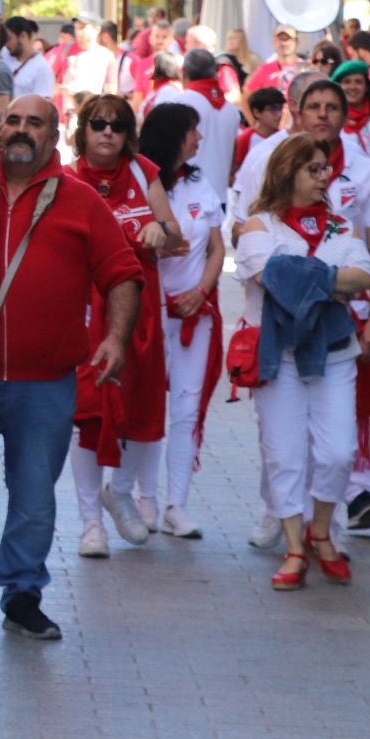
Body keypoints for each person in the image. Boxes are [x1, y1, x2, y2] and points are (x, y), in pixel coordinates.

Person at [0, 96, 142, 641]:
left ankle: (23, 595)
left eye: (34, 123)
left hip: (44, 381)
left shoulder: (81, 201)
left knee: (34, 496)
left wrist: (116, 337)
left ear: (54, 136)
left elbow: (122, 272)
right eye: (11, 120)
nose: (19, 130)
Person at [232, 76, 370, 538]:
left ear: (345, 117)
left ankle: (330, 528)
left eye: (332, 107)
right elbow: (246, 234)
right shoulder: (264, 157)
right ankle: (281, 517)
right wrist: (329, 280)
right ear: (297, 112)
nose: (323, 114)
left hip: (344, 327)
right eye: (314, 106)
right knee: (284, 438)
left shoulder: (365, 173)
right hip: (275, 330)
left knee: (335, 440)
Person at [236, 135, 370, 591]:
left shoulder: (341, 227)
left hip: (335, 355)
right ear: (287, 173)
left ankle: (322, 530)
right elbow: (272, 279)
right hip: (277, 356)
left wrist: (315, 278)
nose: (324, 178)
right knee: (283, 453)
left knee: (338, 451)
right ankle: (297, 547)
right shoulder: (258, 226)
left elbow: (366, 275)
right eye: (313, 169)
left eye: (326, 170)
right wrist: (334, 282)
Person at [65, 96, 182, 555]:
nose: (107, 132)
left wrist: (161, 231)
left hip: (143, 310)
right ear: (83, 130)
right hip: (89, 311)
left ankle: (123, 490)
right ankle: (90, 521)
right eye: (98, 124)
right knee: (90, 412)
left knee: (141, 406)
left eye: (117, 125)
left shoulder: (144, 173)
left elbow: (177, 236)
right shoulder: (69, 179)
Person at [136, 103, 225, 538]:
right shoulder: (140, 180)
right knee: (149, 405)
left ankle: (177, 504)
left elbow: (216, 249)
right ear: (174, 134)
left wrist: (202, 291)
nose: (199, 139)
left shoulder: (199, 181)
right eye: (193, 132)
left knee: (186, 410)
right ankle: (146, 498)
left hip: (194, 313)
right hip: (150, 313)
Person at [150, 48, 239, 202]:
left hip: (184, 198)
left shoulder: (179, 104)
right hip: (220, 198)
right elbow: (233, 161)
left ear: (183, 73)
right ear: (215, 72)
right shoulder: (232, 110)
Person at [0, 17, 56, 104]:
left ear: (23, 36)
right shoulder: (4, 53)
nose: (6, 44)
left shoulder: (42, 68)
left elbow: (43, 103)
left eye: (9, 39)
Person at [234, 87, 286, 179]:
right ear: (257, 112)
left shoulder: (284, 138)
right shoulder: (245, 139)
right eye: (273, 109)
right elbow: (234, 171)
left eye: (280, 108)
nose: (279, 114)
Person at [244, 25, 303, 97]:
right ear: (274, 42)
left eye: (287, 39)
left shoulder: (304, 68)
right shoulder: (264, 69)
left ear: (296, 43)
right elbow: (246, 94)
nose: (283, 43)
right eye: (280, 39)